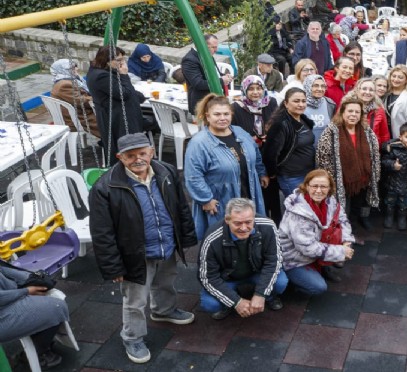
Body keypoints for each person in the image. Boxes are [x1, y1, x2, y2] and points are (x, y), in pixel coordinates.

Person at [89, 133, 197, 364]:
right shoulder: (106, 187)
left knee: (166, 281)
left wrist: (185, 237)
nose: (138, 159)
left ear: (151, 152)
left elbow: (180, 206)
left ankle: (163, 310)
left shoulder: (165, 172)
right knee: (135, 300)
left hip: (165, 243)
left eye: (142, 153)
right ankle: (133, 336)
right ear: (120, 157)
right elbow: (102, 232)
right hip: (134, 253)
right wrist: (113, 267)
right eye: (130, 156)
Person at [185, 94, 268, 240]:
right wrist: (205, 200)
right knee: (224, 239)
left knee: (248, 231)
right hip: (221, 200)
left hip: (248, 191)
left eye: (226, 114)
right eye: (217, 114)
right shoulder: (199, 143)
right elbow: (193, 176)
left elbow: (256, 154)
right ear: (207, 116)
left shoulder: (240, 133)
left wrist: (261, 173)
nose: (222, 118)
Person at [198, 198, 287, 319]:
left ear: (254, 217)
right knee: (210, 304)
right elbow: (207, 277)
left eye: (248, 222)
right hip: (227, 278)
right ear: (227, 220)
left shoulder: (268, 226)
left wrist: (261, 293)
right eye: (238, 223)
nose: (244, 228)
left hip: (257, 271)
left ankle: (269, 296)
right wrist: (236, 301)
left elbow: (274, 261)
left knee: (281, 283)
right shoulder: (212, 239)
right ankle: (230, 301)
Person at [278, 170, 355, 295]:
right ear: (307, 186)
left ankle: (321, 266)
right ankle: (290, 281)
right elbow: (308, 248)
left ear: (330, 188)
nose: (319, 191)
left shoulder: (330, 201)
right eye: (314, 186)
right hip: (294, 259)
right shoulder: (298, 213)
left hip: (316, 247)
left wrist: (346, 242)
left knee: (340, 251)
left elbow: (343, 220)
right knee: (318, 287)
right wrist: (340, 251)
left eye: (323, 186)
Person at [316, 95, 381, 231]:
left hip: (363, 178)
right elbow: (323, 158)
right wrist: (330, 180)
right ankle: (344, 230)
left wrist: (375, 173)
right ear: (342, 112)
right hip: (342, 180)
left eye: (357, 112)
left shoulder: (367, 131)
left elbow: (374, 154)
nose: (353, 115)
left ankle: (359, 223)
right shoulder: (331, 132)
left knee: (361, 203)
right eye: (350, 111)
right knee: (344, 206)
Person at [262, 88, 315, 222]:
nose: (301, 104)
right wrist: (272, 173)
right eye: (296, 101)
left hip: (307, 173)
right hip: (291, 176)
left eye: (303, 101)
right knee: (298, 212)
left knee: (306, 210)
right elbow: (270, 153)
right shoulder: (281, 124)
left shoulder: (303, 120)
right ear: (286, 103)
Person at [0, 265, 68, 369]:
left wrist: (29, 278)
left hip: (6, 296)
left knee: (46, 291)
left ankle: (39, 341)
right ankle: (38, 353)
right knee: (56, 308)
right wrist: (26, 290)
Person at [86, 45, 144, 158]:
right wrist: (124, 75)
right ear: (107, 61)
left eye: (123, 59)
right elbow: (124, 94)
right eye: (118, 60)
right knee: (123, 148)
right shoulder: (101, 76)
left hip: (117, 114)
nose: (122, 63)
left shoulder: (104, 72)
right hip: (116, 118)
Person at [381, 123, 407, 230]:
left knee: (405, 203)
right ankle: (389, 217)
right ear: (400, 137)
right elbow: (384, 161)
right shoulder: (394, 148)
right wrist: (393, 165)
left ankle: (401, 219)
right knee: (390, 201)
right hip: (392, 183)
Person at [181, 34, 233, 113]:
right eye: (213, 47)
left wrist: (224, 76)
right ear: (203, 46)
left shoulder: (207, 54)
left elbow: (214, 74)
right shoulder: (189, 60)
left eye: (216, 46)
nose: (216, 50)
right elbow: (198, 83)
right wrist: (221, 81)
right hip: (202, 103)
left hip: (216, 99)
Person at [49, 58, 100, 137]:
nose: (77, 68)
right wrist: (99, 97)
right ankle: (111, 142)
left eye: (75, 66)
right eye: (72, 68)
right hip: (78, 118)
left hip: (79, 113)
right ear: (63, 70)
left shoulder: (68, 80)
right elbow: (81, 101)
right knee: (111, 119)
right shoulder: (64, 85)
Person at [232, 75, 278, 146]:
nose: (255, 92)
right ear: (245, 90)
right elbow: (232, 132)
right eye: (251, 89)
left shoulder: (271, 103)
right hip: (246, 148)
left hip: (269, 146)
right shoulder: (236, 107)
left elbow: (278, 125)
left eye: (259, 88)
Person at [355, 78, 391, 146]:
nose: (367, 92)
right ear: (358, 90)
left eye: (371, 90)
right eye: (364, 89)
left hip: (372, 151)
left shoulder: (379, 110)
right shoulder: (348, 106)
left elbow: (384, 135)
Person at [383, 65, 407, 139]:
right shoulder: (386, 93)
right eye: (393, 76)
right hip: (384, 134)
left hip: (399, 136)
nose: (396, 79)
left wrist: (406, 139)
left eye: (400, 77)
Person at [301, 74, 336, 142]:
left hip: (324, 149)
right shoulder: (300, 103)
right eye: (316, 86)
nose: (320, 89)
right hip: (305, 150)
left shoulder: (330, 103)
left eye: (323, 86)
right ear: (308, 86)